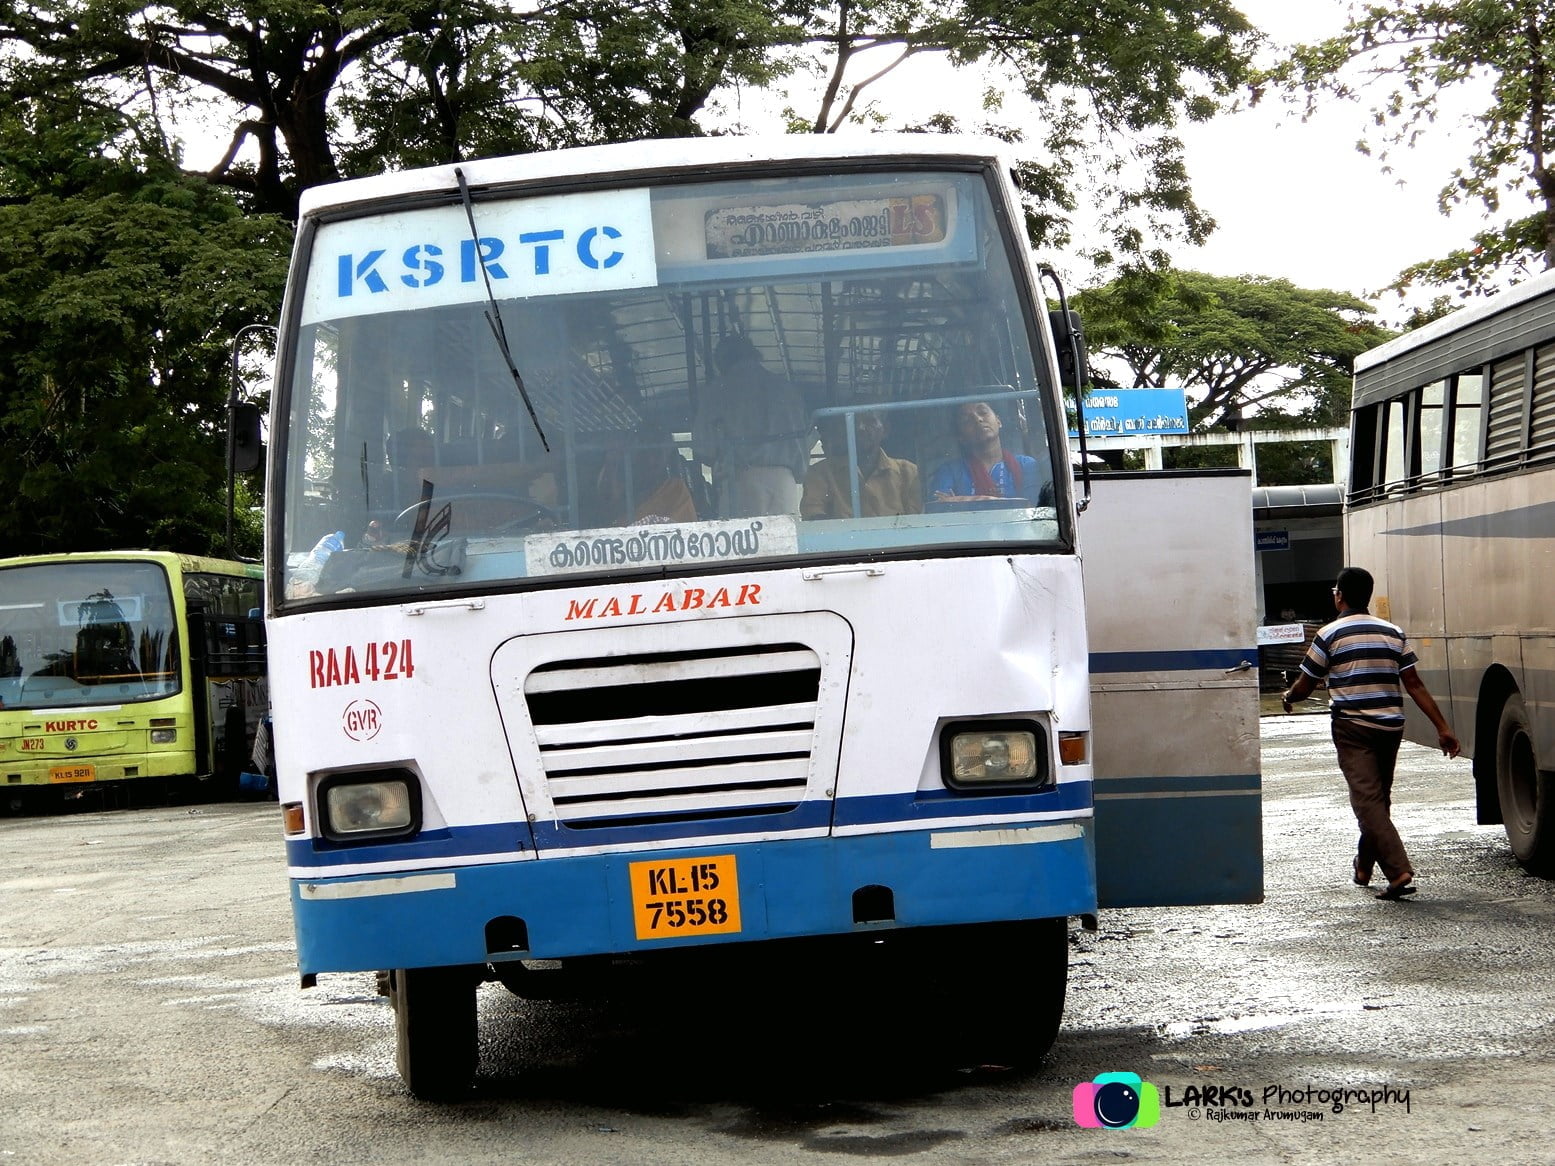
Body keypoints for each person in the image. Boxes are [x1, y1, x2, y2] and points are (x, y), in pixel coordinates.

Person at [1281, 566, 1461, 901]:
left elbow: (1305, 686)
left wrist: (1288, 696)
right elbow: (1414, 684)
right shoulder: (1393, 633)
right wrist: (1443, 727)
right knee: (1377, 800)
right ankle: (1364, 866)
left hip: (1353, 728)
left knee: (1367, 802)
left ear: (1340, 596)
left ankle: (1398, 870)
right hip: (1390, 728)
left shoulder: (1329, 635)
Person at [693, 334, 811, 518]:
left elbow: (704, 449)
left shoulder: (716, 391)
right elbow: (806, 437)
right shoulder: (787, 389)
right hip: (784, 481)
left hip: (740, 481)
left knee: (742, 535)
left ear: (722, 361)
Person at [926, 400, 1052, 507]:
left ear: (998, 421)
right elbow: (939, 507)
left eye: (983, 412)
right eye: (966, 419)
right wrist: (1009, 503)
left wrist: (958, 500)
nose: (978, 419)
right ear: (961, 437)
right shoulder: (950, 470)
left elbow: (1033, 507)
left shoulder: (1026, 464)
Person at [800, 411, 921, 520]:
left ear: (885, 430)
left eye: (870, 421)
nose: (860, 428)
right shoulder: (819, 473)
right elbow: (813, 517)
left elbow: (916, 523)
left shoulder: (908, 472)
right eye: (853, 421)